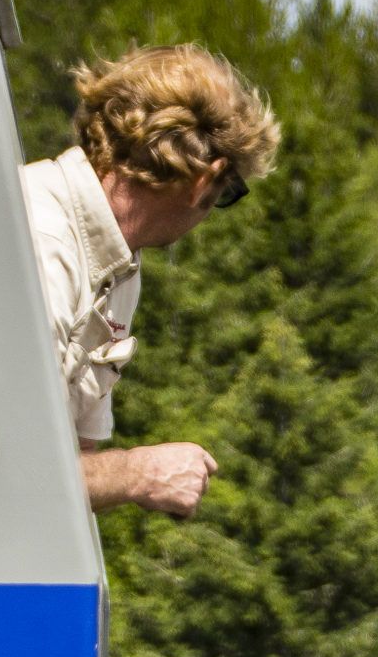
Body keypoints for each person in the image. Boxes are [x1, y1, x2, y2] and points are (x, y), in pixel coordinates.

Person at [21, 44, 278, 517]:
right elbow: (11, 472)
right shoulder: (40, 235)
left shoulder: (117, 266)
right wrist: (140, 472)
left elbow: (68, 471)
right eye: (230, 193)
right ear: (208, 179)